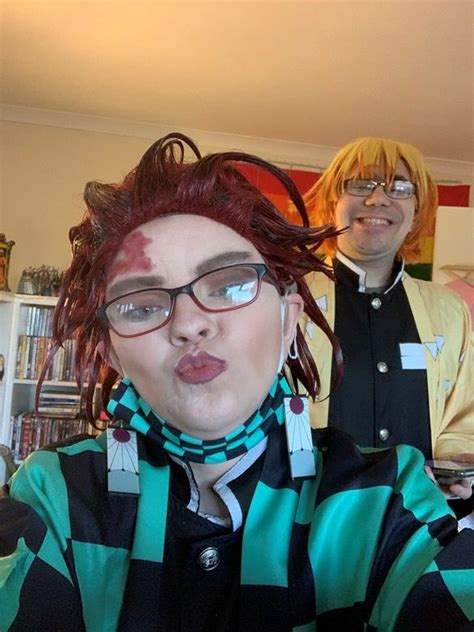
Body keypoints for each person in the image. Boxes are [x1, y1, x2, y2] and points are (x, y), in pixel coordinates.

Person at [0, 133, 473, 631]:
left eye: (229, 284)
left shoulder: (389, 501)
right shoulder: (55, 495)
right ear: (110, 352)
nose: (188, 323)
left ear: (289, 322)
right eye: (141, 305)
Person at [303, 137, 473, 505]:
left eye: (399, 187)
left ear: (417, 210)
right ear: (334, 202)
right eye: (361, 183)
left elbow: (464, 414)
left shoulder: (450, 309)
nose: (378, 199)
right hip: (307, 518)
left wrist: (457, 464)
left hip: (418, 519)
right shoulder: (287, 299)